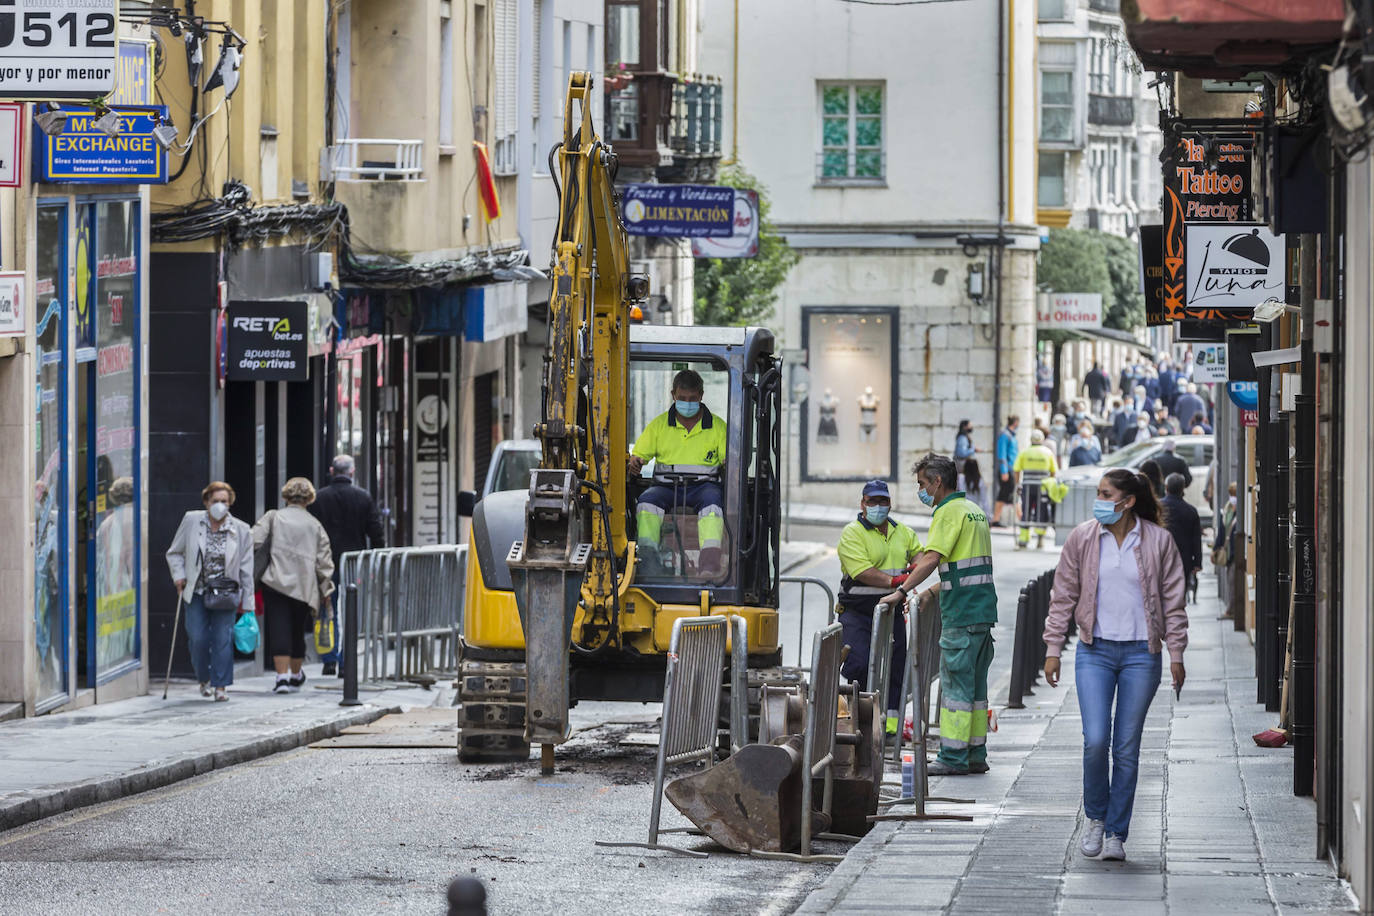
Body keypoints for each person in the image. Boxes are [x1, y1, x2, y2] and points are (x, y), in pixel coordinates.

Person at [1042, 469, 1188, 862]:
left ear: (1128, 501)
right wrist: (1053, 647)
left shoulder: (1158, 541)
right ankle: (1095, 817)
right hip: (1096, 651)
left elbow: (1174, 601)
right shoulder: (1084, 537)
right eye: (1099, 493)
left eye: (1106, 494)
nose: (1099, 500)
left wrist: (1176, 653)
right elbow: (1063, 594)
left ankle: (1116, 834)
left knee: (1126, 748)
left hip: (1143, 654)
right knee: (1095, 741)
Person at [882, 453, 997, 776]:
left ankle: (952, 756)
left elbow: (932, 558)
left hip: (961, 611)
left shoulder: (947, 512)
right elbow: (961, 566)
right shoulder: (974, 511)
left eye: (922, 484)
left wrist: (902, 590)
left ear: (937, 482)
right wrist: (932, 591)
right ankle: (975, 753)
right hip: (982, 609)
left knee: (956, 688)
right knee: (975, 690)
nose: (921, 491)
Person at [836, 479, 922, 736]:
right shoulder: (852, 533)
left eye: (882, 501)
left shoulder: (902, 531)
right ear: (862, 504)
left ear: (890, 504)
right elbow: (862, 571)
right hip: (858, 612)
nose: (877, 506)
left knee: (897, 667)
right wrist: (894, 581)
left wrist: (916, 567)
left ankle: (891, 728)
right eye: (872, 501)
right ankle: (860, 721)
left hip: (892, 610)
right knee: (858, 664)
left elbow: (919, 553)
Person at [628, 369, 727, 576]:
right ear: (673, 394)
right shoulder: (659, 425)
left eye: (692, 398)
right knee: (646, 502)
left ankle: (709, 566)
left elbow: (730, 461)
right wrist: (635, 460)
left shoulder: (718, 428)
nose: (687, 402)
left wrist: (729, 462)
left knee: (712, 507)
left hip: (703, 488)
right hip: (666, 488)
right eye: (682, 398)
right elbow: (639, 454)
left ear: (701, 395)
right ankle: (648, 561)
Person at [165, 481, 255, 702]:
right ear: (206, 502)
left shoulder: (242, 530)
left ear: (230, 503)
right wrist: (179, 576)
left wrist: (248, 604)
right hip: (196, 589)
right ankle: (203, 678)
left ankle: (221, 686)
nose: (220, 505)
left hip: (226, 593)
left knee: (222, 638)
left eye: (224, 501)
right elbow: (174, 552)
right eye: (215, 501)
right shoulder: (192, 520)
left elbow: (246, 568)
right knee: (198, 638)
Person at [254, 478, 335, 694]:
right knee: (297, 630)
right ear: (310, 498)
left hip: (275, 581)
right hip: (304, 585)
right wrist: (326, 588)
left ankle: (281, 678)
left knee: (278, 627)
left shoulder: (273, 517)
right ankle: (296, 675)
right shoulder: (315, 525)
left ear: (286, 496)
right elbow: (324, 561)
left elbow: (254, 540)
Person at [308, 455, 386, 676]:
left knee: (327, 608)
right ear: (351, 473)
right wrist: (377, 556)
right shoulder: (363, 497)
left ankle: (329, 658)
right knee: (351, 610)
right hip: (354, 562)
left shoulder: (319, 498)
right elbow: (375, 531)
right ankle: (346, 661)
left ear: (332, 471)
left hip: (325, 562)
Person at [1013, 429, 1059, 549]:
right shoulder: (1048, 453)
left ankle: (1023, 540)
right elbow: (1054, 471)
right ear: (1042, 440)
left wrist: (1018, 484)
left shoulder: (1024, 452)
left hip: (1027, 486)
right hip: (1043, 487)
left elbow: (1016, 470)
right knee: (1041, 511)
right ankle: (1040, 539)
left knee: (1026, 510)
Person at [1162, 473, 1203, 603]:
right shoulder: (1190, 511)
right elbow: (1196, 539)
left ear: (1166, 487)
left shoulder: (1158, 508)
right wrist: (1197, 562)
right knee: (1179, 595)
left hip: (1160, 556)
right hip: (1183, 560)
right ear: (1183, 489)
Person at [993, 416, 1020, 528]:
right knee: (1005, 494)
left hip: (1012, 470)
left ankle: (1020, 518)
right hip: (1007, 470)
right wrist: (1004, 471)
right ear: (1015, 423)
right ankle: (996, 519)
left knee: (1011, 494)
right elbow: (1002, 454)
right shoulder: (1005, 436)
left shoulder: (1011, 436)